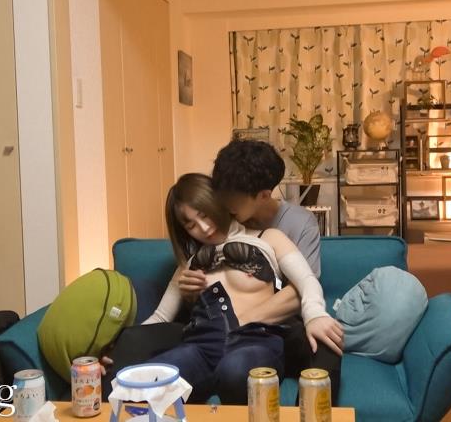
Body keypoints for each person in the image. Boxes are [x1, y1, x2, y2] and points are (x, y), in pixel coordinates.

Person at [142, 173, 342, 404]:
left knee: (235, 371)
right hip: (200, 345)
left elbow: (306, 279)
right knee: (149, 379)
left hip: (255, 340)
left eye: (205, 214)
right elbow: (159, 317)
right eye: (191, 225)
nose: (204, 228)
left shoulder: (269, 238)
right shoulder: (188, 265)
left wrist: (315, 314)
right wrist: (115, 346)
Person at [204, 139, 343, 400]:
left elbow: (300, 291)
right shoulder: (221, 220)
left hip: (281, 327)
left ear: (264, 195)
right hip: (232, 331)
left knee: (327, 343)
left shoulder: (300, 223)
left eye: (233, 198)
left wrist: (240, 321)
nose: (225, 203)